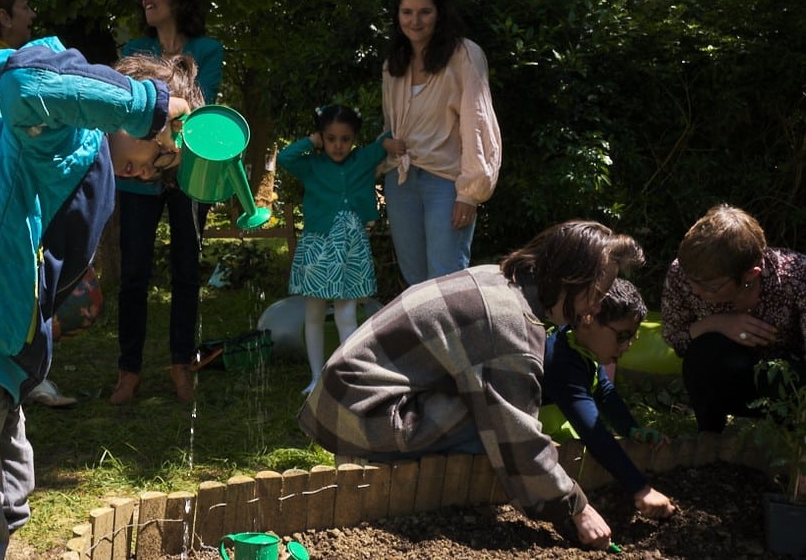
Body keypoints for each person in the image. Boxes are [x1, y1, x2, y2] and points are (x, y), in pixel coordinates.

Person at [0, 36, 191, 558]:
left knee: (11, 500)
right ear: (133, 112)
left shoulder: (77, 147)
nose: (147, 170)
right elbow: (29, 83)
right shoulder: (64, 130)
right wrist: (148, 104)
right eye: (158, 151)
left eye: (161, 169)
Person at [298, 220, 645, 550]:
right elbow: (518, 440)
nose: (596, 307)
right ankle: (432, 495)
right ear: (573, 278)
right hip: (356, 415)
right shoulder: (510, 327)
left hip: (343, 396)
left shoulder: (499, 278)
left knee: (496, 407)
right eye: (597, 293)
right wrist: (576, 508)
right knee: (496, 422)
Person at [110, 0, 224, 404]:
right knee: (134, 272)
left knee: (186, 271)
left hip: (188, 173)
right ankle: (129, 371)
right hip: (141, 174)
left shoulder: (209, 50)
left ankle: (181, 365)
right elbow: (131, 108)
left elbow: (198, 106)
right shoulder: (135, 48)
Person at [0, 0, 81, 408]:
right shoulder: (3, 68)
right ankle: (22, 377)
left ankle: (28, 376)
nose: (32, 15)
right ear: (3, 16)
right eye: (24, 6)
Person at [379, 0, 502, 286]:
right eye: (407, 12)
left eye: (424, 12)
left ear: (439, 14)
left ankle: (454, 339)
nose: (415, 21)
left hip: (447, 183)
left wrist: (470, 193)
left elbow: (478, 122)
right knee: (415, 283)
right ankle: (422, 339)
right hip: (401, 181)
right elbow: (391, 126)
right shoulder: (394, 64)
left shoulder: (464, 55)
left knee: (446, 282)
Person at [278, 105, 404, 394]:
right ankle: (316, 377)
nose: (338, 145)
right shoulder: (312, 164)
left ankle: (348, 376)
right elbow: (286, 157)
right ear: (322, 136)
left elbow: (382, 143)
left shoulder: (361, 159)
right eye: (331, 138)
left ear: (354, 138)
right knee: (314, 313)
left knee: (346, 314)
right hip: (318, 246)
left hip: (350, 247)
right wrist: (312, 141)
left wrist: (386, 142)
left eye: (345, 139)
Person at [661, 204, 806, 433]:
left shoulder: (796, 277)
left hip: (788, 385)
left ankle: (790, 442)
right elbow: (674, 337)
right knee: (703, 353)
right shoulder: (683, 274)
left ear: (750, 275)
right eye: (692, 281)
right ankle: (710, 439)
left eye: (709, 286)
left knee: (783, 376)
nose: (695, 290)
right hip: (732, 377)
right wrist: (716, 323)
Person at [541, 278, 677, 519]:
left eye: (632, 337)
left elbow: (604, 391)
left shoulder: (577, 343)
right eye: (622, 336)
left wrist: (632, 430)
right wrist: (642, 489)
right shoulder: (563, 365)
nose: (626, 346)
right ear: (587, 320)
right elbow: (595, 435)